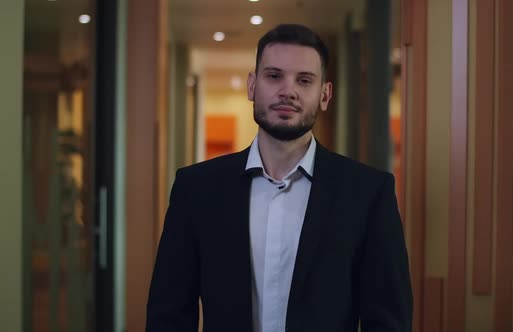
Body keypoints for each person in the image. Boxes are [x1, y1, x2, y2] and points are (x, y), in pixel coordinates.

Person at [146, 23, 412, 332]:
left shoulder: (368, 193)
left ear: (325, 94)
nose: (288, 90)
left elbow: (389, 319)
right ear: (252, 86)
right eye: (274, 76)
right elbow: (169, 313)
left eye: (304, 80)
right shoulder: (196, 189)